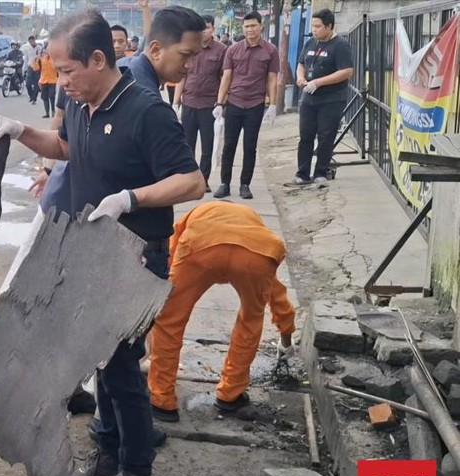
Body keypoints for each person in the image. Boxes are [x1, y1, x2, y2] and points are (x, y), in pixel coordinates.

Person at [0, 8, 204, 476]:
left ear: (99, 59)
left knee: (124, 370)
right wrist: (22, 131)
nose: (62, 82)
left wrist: (131, 198)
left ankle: (137, 475)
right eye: (58, 71)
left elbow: (192, 181)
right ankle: (108, 455)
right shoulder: (85, 105)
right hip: (93, 253)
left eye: (67, 70)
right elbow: (66, 147)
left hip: (135, 258)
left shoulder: (145, 110)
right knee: (99, 364)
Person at [147, 201, 295, 421]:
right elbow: (278, 298)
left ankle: (162, 400)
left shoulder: (194, 217)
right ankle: (230, 394)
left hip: (200, 247)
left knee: (170, 320)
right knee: (251, 319)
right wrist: (286, 340)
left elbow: (168, 262)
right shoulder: (256, 231)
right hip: (256, 256)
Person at [214, 11, 279, 200]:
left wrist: (273, 105)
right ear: (242, 28)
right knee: (229, 145)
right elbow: (226, 77)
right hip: (234, 102)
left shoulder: (270, 51)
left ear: (261, 26)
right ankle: (225, 183)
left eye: (253, 26)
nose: (250, 29)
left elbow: (272, 79)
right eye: (246, 26)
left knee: (250, 146)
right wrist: (220, 102)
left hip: (255, 104)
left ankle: (245, 184)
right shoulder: (233, 50)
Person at [295, 8, 353, 186]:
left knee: (326, 136)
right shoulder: (311, 43)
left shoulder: (340, 45)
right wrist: (300, 77)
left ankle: (321, 172)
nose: (314, 30)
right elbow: (301, 63)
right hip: (308, 99)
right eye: (313, 26)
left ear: (329, 26)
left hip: (330, 99)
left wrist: (319, 82)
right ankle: (302, 173)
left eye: (318, 26)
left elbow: (347, 71)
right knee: (305, 136)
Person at [173, 14, 227, 189]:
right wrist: (176, 103)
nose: (204, 32)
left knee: (207, 146)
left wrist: (220, 103)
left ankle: (203, 180)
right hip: (188, 102)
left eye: (207, 28)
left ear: (213, 29)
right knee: (187, 145)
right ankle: (188, 180)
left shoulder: (221, 50)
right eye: (201, 28)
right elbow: (182, 77)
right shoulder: (189, 49)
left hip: (208, 106)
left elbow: (225, 78)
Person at [125, 5, 204, 96]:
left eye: (194, 56)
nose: (189, 65)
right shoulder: (150, 104)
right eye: (185, 55)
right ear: (156, 50)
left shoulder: (124, 67)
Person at [35, 46, 57, 118]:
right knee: (44, 97)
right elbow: (36, 68)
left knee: (51, 95)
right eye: (45, 50)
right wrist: (35, 60)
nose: (46, 52)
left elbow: (55, 67)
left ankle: (53, 110)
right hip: (43, 80)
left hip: (52, 80)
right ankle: (47, 113)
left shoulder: (54, 59)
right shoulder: (41, 59)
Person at [22, 35, 43, 105]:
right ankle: (31, 96)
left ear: (35, 40)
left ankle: (34, 98)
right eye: (30, 42)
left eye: (32, 41)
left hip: (37, 68)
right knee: (28, 83)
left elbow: (42, 58)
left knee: (36, 84)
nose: (32, 43)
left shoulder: (39, 48)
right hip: (30, 67)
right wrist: (24, 69)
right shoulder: (28, 49)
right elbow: (26, 59)